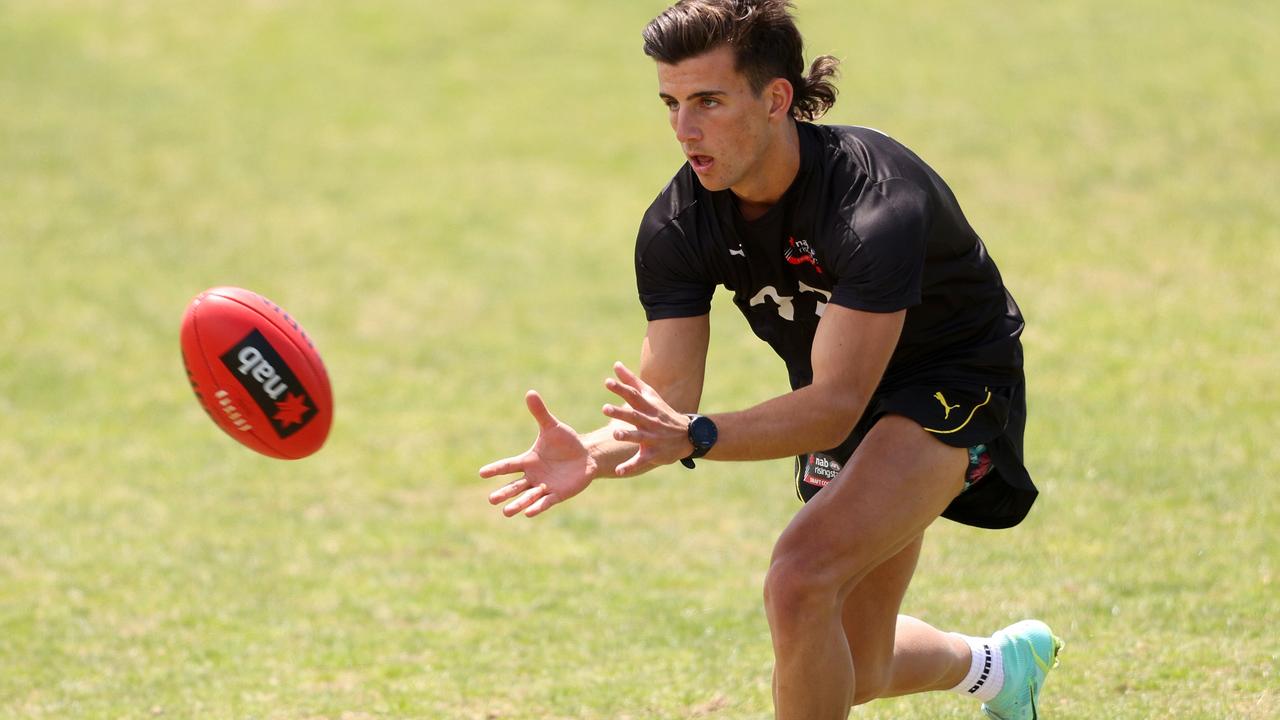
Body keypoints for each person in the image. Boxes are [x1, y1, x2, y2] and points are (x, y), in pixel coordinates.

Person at [480, 1, 1062, 718]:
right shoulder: (678, 226)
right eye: (670, 103)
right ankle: (998, 667)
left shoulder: (876, 206)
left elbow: (832, 408)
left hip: (949, 381)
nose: (684, 129)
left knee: (799, 577)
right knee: (860, 665)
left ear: (777, 97)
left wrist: (697, 435)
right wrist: (593, 453)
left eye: (708, 102)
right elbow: (664, 401)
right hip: (841, 392)